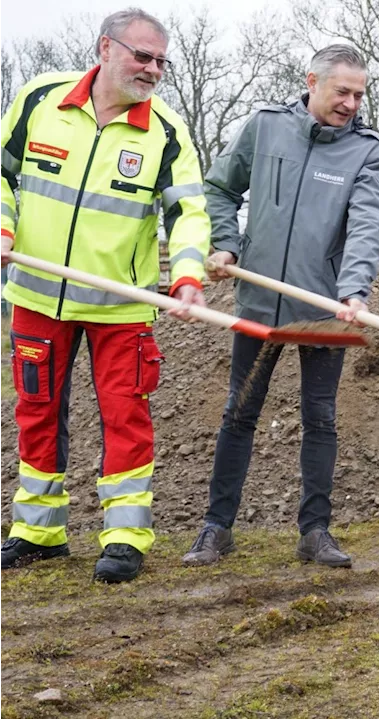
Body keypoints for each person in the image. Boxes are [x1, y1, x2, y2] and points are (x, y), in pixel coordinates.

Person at [0, 8, 210, 582]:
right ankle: (39, 532)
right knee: (36, 412)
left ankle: (124, 536)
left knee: (126, 417)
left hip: (122, 307)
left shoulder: (166, 132)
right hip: (38, 297)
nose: (153, 69)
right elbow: (0, 174)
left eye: (162, 61)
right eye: (143, 55)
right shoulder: (38, 100)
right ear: (105, 48)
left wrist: (188, 276)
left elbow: (190, 213)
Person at [180, 45, 379, 569]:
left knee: (319, 418)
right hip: (257, 303)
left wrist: (354, 290)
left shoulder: (369, 152)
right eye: (341, 91)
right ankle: (216, 528)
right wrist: (227, 243)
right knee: (239, 412)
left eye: (359, 94)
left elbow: (368, 226)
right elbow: (219, 188)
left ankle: (315, 531)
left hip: (324, 307)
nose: (351, 103)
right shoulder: (266, 126)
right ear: (312, 81)